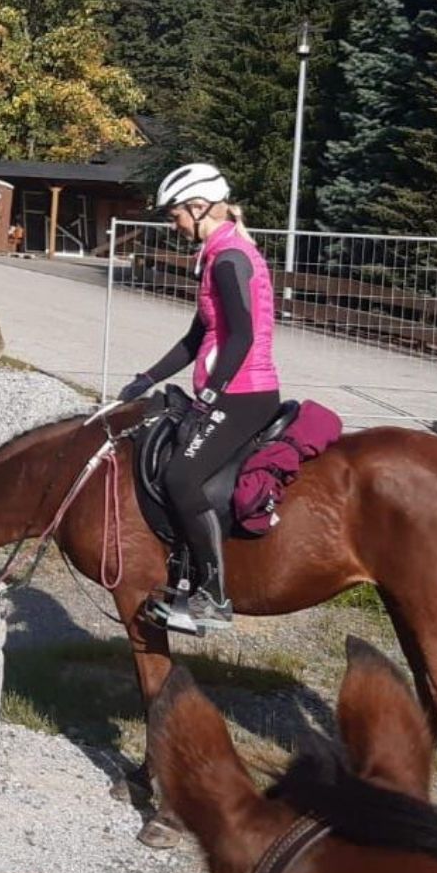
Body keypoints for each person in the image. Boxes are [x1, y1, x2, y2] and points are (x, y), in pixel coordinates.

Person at [117, 164, 280, 635]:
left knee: (181, 474)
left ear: (199, 207)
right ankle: (182, 584)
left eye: (176, 216)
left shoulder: (230, 259)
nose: (174, 226)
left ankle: (214, 597)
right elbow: (197, 337)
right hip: (228, 389)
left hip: (245, 391)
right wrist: (146, 377)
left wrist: (209, 395)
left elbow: (243, 336)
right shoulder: (216, 255)